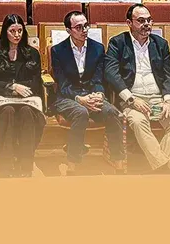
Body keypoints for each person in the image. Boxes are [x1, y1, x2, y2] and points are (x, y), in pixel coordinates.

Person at [105, 4, 170, 174]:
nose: (146, 24)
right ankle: (164, 169)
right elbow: (111, 73)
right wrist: (131, 99)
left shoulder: (160, 43)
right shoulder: (118, 43)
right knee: (138, 122)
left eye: (149, 20)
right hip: (133, 98)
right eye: (141, 21)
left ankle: (160, 168)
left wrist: (168, 100)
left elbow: (168, 74)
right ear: (129, 23)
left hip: (159, 98)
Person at [52, 11, 125, 173]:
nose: (84, 30)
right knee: (81, 112)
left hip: (91, 94)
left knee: (112, 112)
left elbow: (98, 79)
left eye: (86, 26)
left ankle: (118, 162)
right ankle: (72, 163)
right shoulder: (58, 50)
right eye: (79, 27)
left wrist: (99, 94)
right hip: (68, 96)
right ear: (68, 30)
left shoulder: (97, 48)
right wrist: (79, 99)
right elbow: (63, 83)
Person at [0, 14, 45, 177]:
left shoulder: (32, 53)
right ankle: (5, 165)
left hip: (27, 99)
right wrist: (12, 87)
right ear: (5, 32)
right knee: (8, 111)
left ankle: (25, 166)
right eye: (12, 31)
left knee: (26, 112)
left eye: (20, 31)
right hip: (2, 100)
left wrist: (21, 89)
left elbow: (35, 82)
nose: (17, 35)